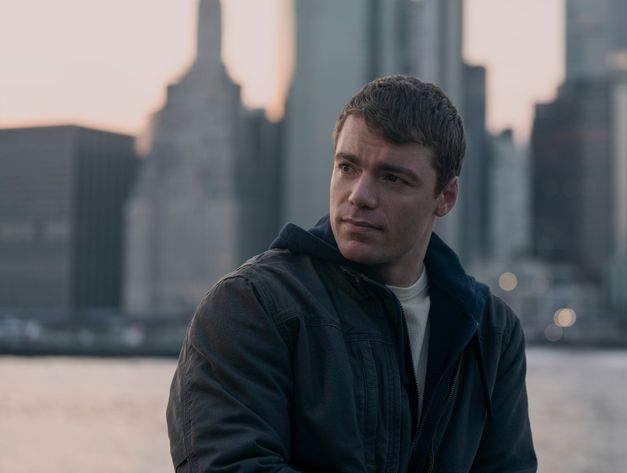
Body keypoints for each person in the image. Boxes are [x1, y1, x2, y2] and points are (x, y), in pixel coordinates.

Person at [166, 75, 537, 472]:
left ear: (445, 197)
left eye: (392, 178)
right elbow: (228, 465)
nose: (359, 196)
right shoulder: (250, 306)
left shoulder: (491, 331)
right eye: (347, 167)